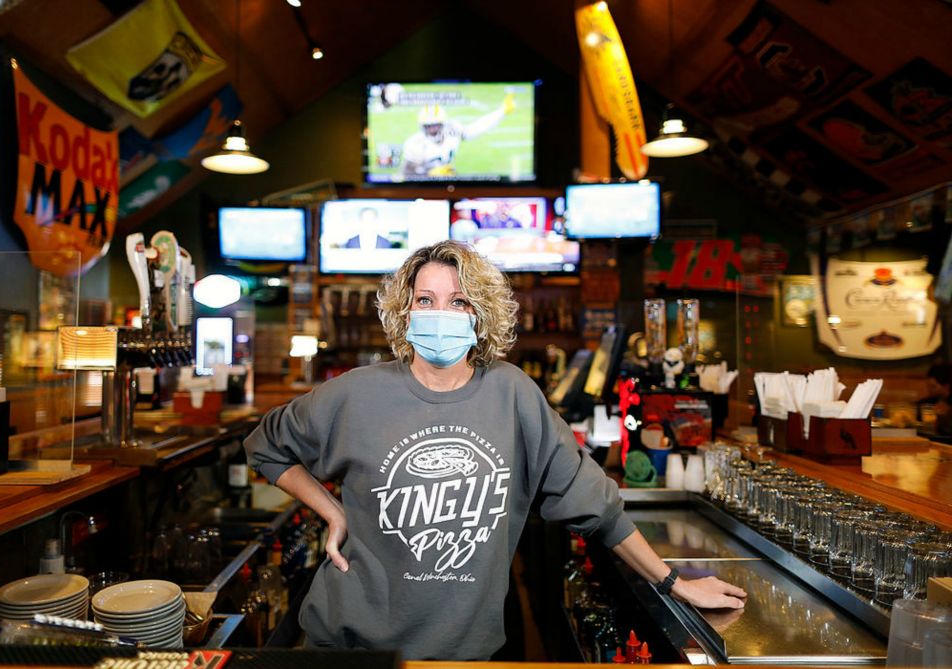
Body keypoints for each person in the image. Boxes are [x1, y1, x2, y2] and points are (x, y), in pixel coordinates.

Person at [244, 241, 746, 660]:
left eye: (459, 302)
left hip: (464, 653)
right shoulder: (355, 393)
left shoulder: (512, 394)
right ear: (404, 310)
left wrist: (673, 581)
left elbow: (597, 504)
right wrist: (331, 510)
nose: (441, 314)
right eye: (425, 300)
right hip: (348, 647)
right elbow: (266, 446)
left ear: (481, 314)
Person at [399, 95, 514, 179]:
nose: (432, 129)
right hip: (426, 188)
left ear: (443, 124)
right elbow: (406, 173)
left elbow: (477, 128)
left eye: (436, 125)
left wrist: (501, 112)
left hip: (450, 181)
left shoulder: (452, 131)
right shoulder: (415, 143)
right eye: (428, 126)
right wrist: (429, 174)